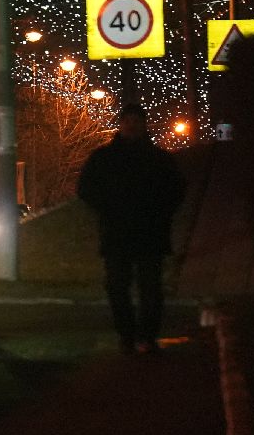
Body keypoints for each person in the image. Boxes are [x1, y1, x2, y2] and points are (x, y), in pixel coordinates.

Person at [77, 102, 186, 354]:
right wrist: (108, 209)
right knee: (119, 286)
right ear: (121, 124)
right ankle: (128, 335)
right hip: (122, 232)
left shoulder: (157, 158)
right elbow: (85, 189)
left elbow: (176, 190)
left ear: (144, 124)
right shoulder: (105, 158)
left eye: (136, 121)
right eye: (128, 121)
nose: (132, 125)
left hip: (146, 232)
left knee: (148, 287)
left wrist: (160, 213)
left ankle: (145, 335)